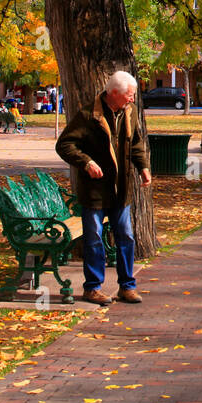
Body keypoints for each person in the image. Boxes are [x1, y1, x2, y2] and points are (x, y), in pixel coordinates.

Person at [55, 71, 152, 306]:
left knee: (126, 237)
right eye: (129, 95)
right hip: (95, 191)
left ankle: (127, 286)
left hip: (121, 189)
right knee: (94, 238)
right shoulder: (89, 115)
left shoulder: (129, 113)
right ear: (114, 93)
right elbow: (64, 145)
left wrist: (143, 167)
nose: (132, 99)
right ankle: (93, 288)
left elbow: (136, 142)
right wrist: (86, 162)